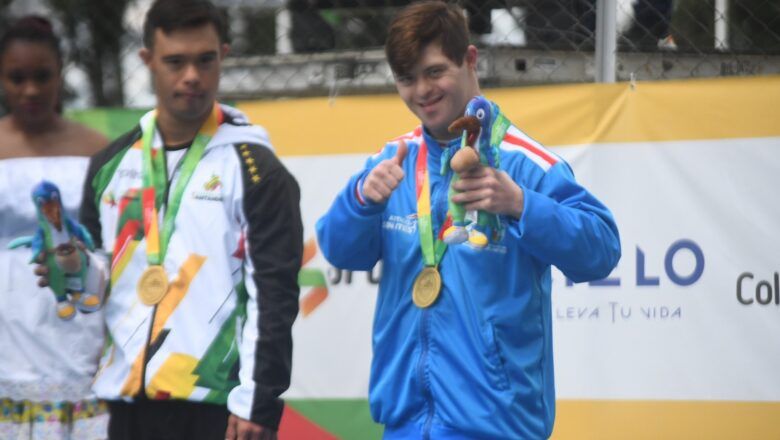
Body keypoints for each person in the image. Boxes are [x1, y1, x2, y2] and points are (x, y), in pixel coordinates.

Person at [316, 2, 621, 439]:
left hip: (495, 427)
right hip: (404, 425)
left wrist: (520, 204)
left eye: (434, 72)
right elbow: (341, 251)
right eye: (406, 78)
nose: (422, 90)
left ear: (470, 59)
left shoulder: (522, 162)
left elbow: (602, 250)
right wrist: (360, 200)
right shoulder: (393, 160)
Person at [44, 1, 302, 439]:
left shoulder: (256, 169)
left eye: (205, 60)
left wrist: (257, 403)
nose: (192, 76)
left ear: (223, 55)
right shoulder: (109, 165)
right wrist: (71, 269)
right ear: (147, 60)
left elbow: (274, 296)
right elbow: (95, 290)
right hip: (121, 403)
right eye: (175, 62)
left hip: (216, 405)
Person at [0, 15, 110, 439]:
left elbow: (111, 245)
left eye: (42, 76)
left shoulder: (98, 149)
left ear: (60, 74)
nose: (30, 89)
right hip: (8, 320)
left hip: (78, 318)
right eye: (17, 78)